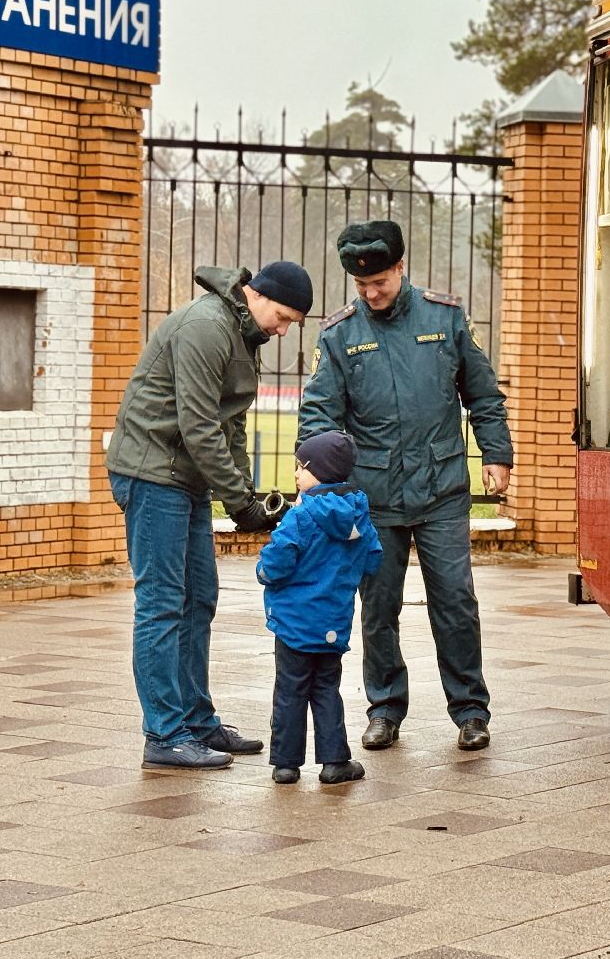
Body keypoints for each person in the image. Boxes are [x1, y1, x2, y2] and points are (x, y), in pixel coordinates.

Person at [298, 220, 512, 752]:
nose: (371, 293)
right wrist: (321, 479)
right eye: (360, 285)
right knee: (378, 608)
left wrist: (497, 454)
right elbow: (319, 415)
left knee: (456, 602)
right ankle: (385, 708)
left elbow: (482, 394)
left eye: (380, 282)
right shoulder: (340, 334)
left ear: (400, 268)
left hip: (440, 488)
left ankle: (470, 711)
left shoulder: (446, 318)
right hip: (372, 497)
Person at [107, 261, 312, 770]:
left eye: (292, 324)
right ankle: (165, 734)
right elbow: (198, 425)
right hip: (152, 472)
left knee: (199, 598)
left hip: (185, 476)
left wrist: (242, 495)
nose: (282, 330)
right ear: (255, 295)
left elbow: (232, 425)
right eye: (282, 317)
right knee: (161, 603)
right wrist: (239, 501)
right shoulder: (206, 328)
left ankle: (196, 721)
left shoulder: (243, 334)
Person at [257, 430, 382, 785]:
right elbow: (373, 560)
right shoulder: (359, 514)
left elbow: (277, 562)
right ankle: (334, 762)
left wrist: (263, 571)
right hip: (333, 623)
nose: (297, 475)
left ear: (320, 472)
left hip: (294, 624)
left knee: (290, 690)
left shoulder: (301, 516)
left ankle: (285, 764)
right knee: (327, 689)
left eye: (302, 468)